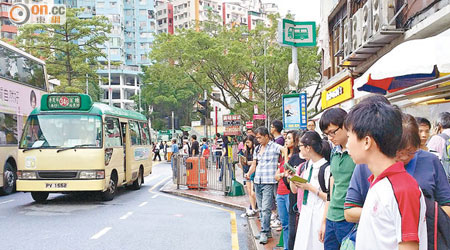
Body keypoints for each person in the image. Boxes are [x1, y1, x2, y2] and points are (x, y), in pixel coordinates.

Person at [345, 101, 427, 249]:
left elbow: (408, 245)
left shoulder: (402, 189)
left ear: (367, 141)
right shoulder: (379, 182)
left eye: (349, 136)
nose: (347, 145)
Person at [318, 108, 356, 249]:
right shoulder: (334, 152)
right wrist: (324, 221)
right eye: (327, 134)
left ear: (346, 125)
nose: (330, 137)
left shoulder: (357, 154)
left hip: (349, 219)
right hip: (332, 217)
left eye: (333, 132)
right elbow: (332, 188)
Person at [289, 131, 331, 250]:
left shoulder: (326, 168)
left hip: (319, 214)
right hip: (306, 213)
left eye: (300, 146)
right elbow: (294, 190)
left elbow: (329, 197)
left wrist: (310, 188)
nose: (299, 149)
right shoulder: (307, 166)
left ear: (308, 148)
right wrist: (293, 179)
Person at [245, 127, 283, 244]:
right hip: (258, 180)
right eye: (257, 138)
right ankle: (266, 232)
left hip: (269, 181)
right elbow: (255, 164)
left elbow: (285, 150)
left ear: (266, 136)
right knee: (261, 208)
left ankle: (264, 231)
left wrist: (284, 164)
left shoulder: (275, 146)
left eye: (260, 137)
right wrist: (249, 173)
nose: (258, 140)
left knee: (266, 208)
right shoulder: (257, 149)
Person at [274, 130, 300, 250]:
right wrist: (282, 175)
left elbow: (287, 173)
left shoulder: (296, 158)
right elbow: (277, 175)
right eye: (286, 138)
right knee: (285, 224)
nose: (286, 140)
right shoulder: (282, 157)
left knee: (292, 225)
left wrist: (283, 174)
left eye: (289, 138)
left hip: (290, 193)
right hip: (280, 192)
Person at [240, 135, 257, 217]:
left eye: (248, 142)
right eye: (245, 143)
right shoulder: (246, 151)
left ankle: (256, 207)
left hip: (254, 173)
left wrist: (250, 163)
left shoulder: (256, 150)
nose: (247, 144)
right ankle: (253, 208)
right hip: (247, 172)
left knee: (253, 193)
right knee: (249, 192)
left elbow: (256, 162)